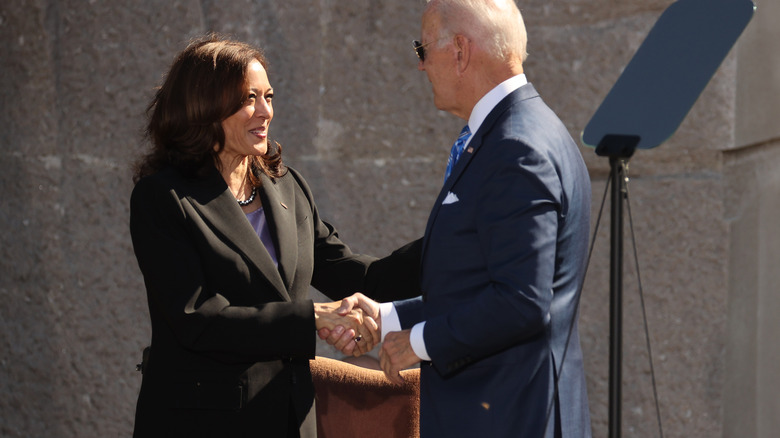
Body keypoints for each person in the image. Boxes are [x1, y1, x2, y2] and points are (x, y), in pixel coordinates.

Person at [324, 0, 593, 436]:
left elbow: (522, 302)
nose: (421, 66)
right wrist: (388, 319)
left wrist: (418, 343)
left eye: (422, 48)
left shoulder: (516, 148)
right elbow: (477, 286)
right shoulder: (517, 132)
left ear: (460, 51)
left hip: (508, 416)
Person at [129, 34, 381, 438]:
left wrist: (449, 248)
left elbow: (352, 274)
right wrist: (313, 317)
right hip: (202, 423)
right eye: (249, 98)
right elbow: (199, 320)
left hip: (290, 419)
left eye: (269, 96)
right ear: (204, 106)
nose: (265, 111)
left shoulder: (286, 186)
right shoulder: (162, 198)